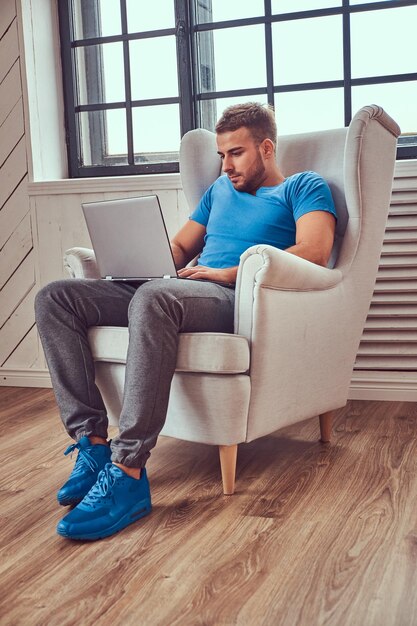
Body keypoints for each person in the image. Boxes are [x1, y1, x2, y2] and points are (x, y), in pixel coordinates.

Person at [35, 102, 337, 541]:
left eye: (236, 153)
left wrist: (224, 273)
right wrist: (135, 263)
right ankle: (93, 446)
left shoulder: (303, 187)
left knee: (156, 297)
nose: (226, 164)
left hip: (232, 296)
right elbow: (178, 249)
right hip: (179, 288)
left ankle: (129, 471)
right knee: (56, 297)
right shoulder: (218, 191)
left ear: (266, 148)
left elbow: (315, 250)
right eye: (221, 154)